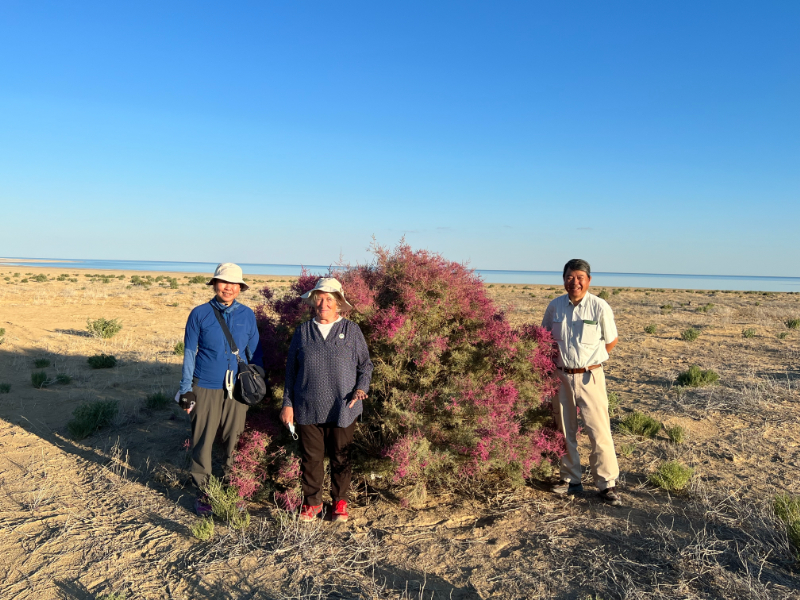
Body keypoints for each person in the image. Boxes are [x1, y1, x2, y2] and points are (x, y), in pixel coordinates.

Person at [280, 277, 373, 522]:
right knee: (311, 459)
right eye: (319, 299)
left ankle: (340, 503)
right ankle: (312, 504)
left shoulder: (351, 330)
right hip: (307, 407)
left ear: (339, 303)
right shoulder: (302, 331)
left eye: (330, 299)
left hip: (343, 407)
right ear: (313, 301)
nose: (324, 304)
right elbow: (291, 371)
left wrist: (361, 389)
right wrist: (287, 404)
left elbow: (366, 366)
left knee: (341, 456)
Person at [176, 263, 263, 516]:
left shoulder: (247, 315)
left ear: (240, 288)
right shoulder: (199, 314)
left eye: (234, 284)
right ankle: (204, 493)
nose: (228, 287)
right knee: (203, 440)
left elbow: (255, 352)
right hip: (205, 385)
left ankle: (233, 490)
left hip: (238, 390)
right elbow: (190, 352)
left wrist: (258, 380)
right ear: (215, 284)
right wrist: (186, 389)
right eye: (223, 282)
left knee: (234, 440)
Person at [541, 259, 622, 506]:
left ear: (588, 280)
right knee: (565, 429)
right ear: (563, 279)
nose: (574, 282)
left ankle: (606, 484)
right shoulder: (555, 307)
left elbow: (611, 340)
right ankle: (571, 480)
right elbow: (544, 339)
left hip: (590, 376)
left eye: (579, 277)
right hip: (561, 376)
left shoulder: (599, 307)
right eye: (569, 277)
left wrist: (595, 360)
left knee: (598, 429)